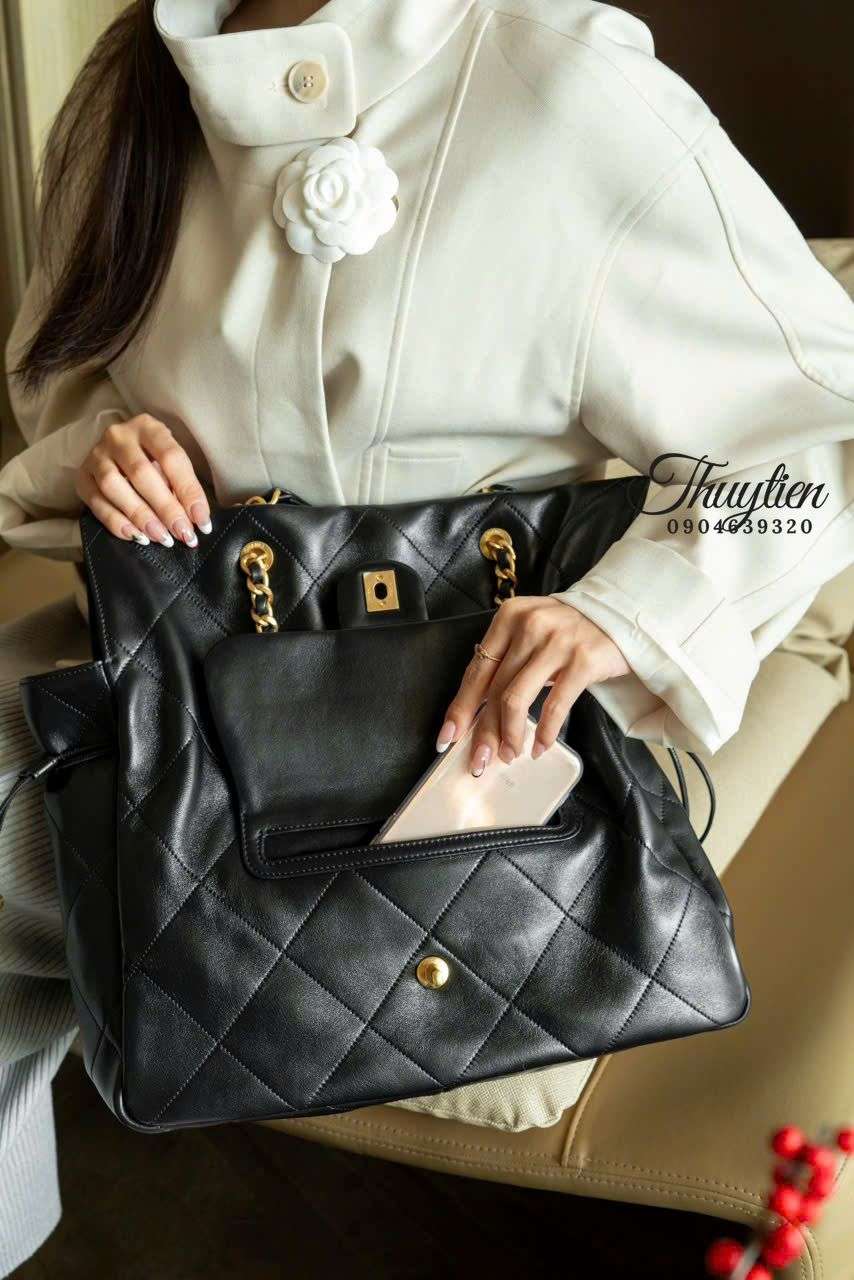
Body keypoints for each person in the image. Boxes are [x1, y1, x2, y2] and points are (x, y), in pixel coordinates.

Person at [0, 0, 852, 1270]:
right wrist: (117, 448)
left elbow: (815, 430)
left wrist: (621, 612)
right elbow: (63, 379)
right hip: (187, 681)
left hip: (474, 726)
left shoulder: (563, 87)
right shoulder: (127, 91)